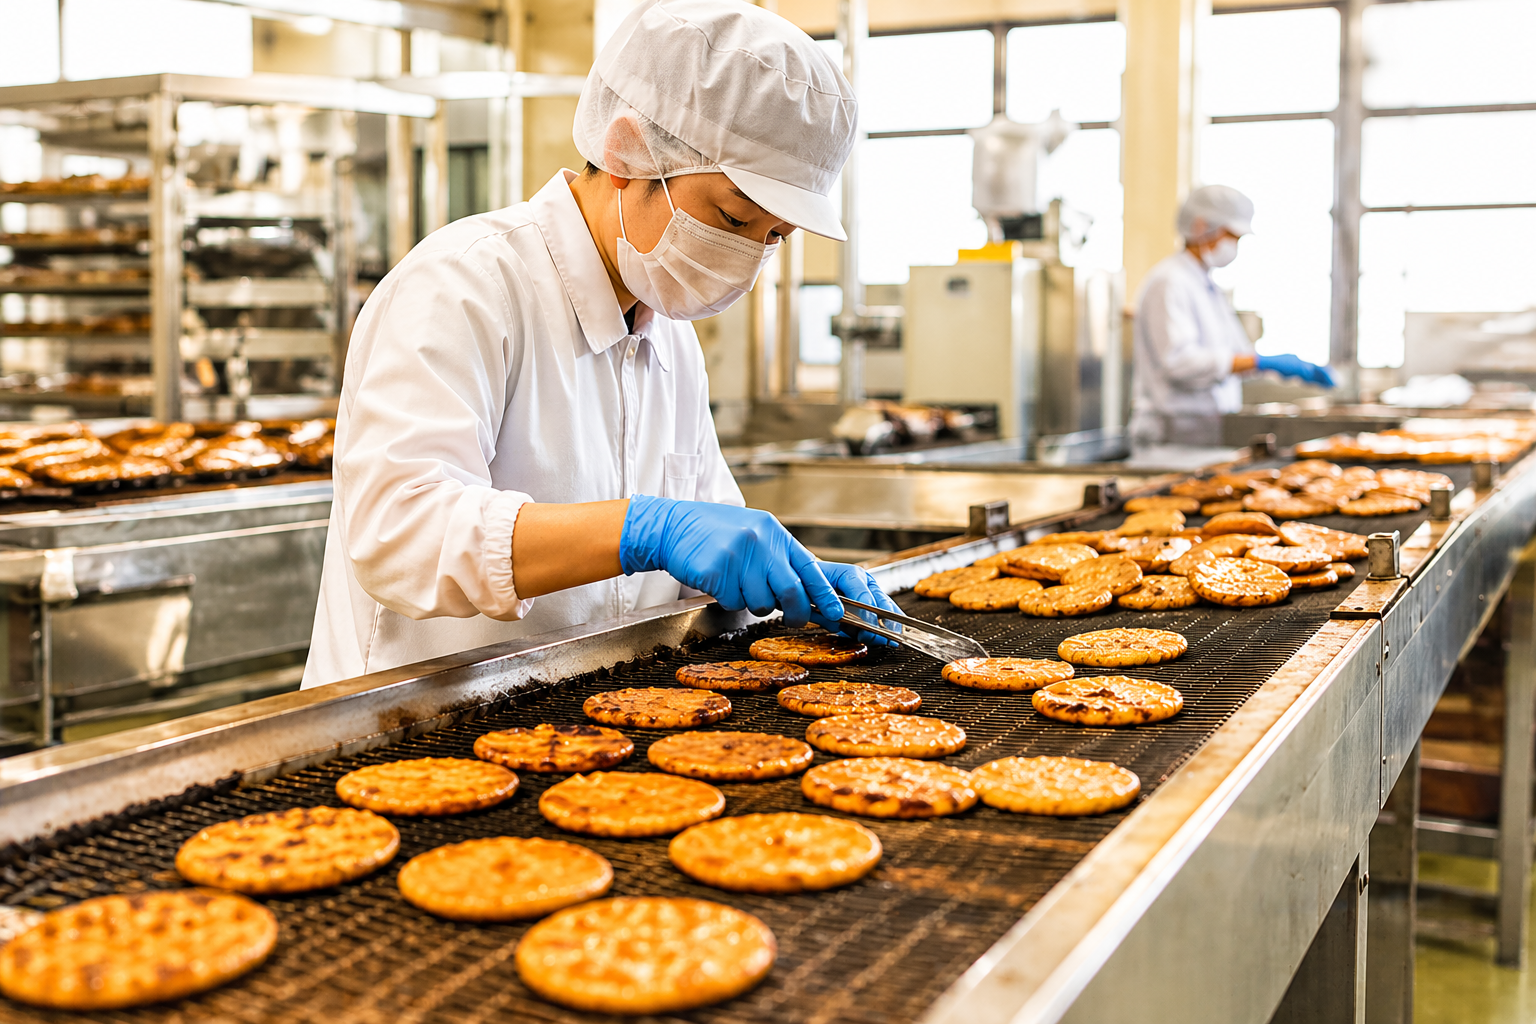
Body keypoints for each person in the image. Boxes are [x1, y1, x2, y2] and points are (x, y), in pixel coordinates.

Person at [301, 0, 896, 688]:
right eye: (732, 216)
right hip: (415, 735)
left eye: (772, 237)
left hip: (586, 731)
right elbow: (399, 536)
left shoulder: (670, 336)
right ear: (626, 152)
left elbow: (713, 544)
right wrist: (640, 531)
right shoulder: (463, 284)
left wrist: (793, 576)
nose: (745, 254)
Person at [1128, 184, 1336, 448]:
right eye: (1232, 236)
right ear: (1202, 226)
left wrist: (1275, 366)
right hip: (1171, 432)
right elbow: (1179, 362)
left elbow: (1235, 355)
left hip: (1203, 429)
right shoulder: (1169, 282)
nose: (1234, 246)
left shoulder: (1208, 286)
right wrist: (1257, 361)